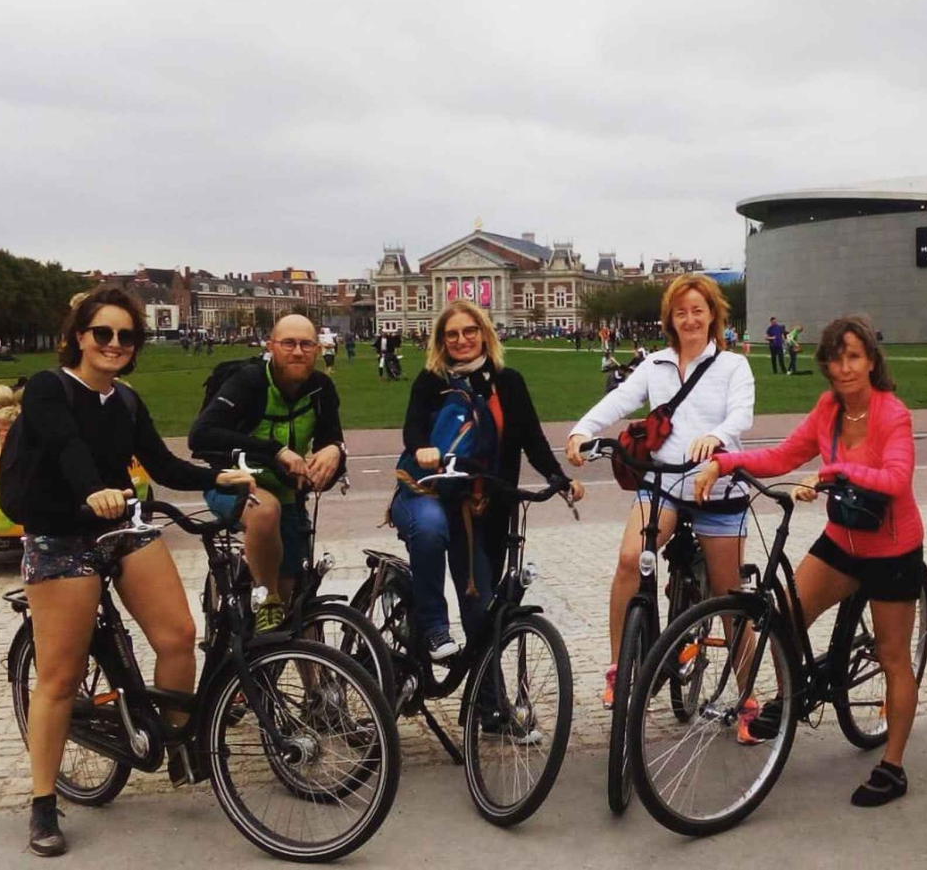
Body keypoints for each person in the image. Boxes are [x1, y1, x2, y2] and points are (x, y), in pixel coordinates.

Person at [15, 286, 253, 856]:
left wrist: (216, 478)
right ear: (79, 336)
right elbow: (66, 446)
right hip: (60, 533)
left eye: (126, 335)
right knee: (59, 678)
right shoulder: (51, 388)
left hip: (120, 524)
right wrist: (92, 490)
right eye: (103, 333)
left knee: (178, 636)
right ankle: (43, 803)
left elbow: (162, 462)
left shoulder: (125, 400)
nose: (115, 344)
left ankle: (174, 744)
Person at [692, 315, 925, 807]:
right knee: (787, 618)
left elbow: (898, 479)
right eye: (836, 358)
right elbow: (781, 457)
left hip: (891, 548)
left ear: (871, 361)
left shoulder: (892, 413)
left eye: (854, 357)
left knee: (892, 656)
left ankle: (893, 765)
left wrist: (834, 471)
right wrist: (726, 462)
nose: (844, 368)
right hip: (843, 539)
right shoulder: (828, 409)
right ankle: (791, 695)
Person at [565, 274, 756, 718]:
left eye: (698, 310)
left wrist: (716, 436)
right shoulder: (656, 364)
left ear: (713, 315)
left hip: (718, 486)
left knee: (729, 597)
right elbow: (619, 401)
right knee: (631, 560)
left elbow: (741, 415)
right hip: (665, 484)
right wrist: (582, 430)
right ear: (670, 318)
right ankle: (619, 668)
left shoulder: (733, 367)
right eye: (680, 311)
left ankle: (748, 700)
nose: (690, 319)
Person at [392, 300, 583, 658]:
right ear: (441, 340)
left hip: (485, 506)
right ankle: (434, 629)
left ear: (484, 333)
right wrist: (422, 448)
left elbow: (531, 438)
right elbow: (413, 428)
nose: (462, 340)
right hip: (430, 492)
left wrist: (559, 479)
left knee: (483, 608)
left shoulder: (508, 382)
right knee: (433, 533)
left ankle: (487, 705)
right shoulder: (431, 381)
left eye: (470, 331)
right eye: (452, 334)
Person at [189, 314, 346, 632]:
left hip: (284, 490)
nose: (298, 352)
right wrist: (275, 451)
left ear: (318, 349)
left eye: (306, 344)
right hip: (231, 481)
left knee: (294, 591)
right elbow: (201, 435)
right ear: (271, 346)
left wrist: (335, 451)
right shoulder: (250, 382)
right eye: (288, 343)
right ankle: (265, 597)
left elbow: (331, 441)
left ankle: (276, 653)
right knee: (266, 511)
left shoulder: (320, 388)